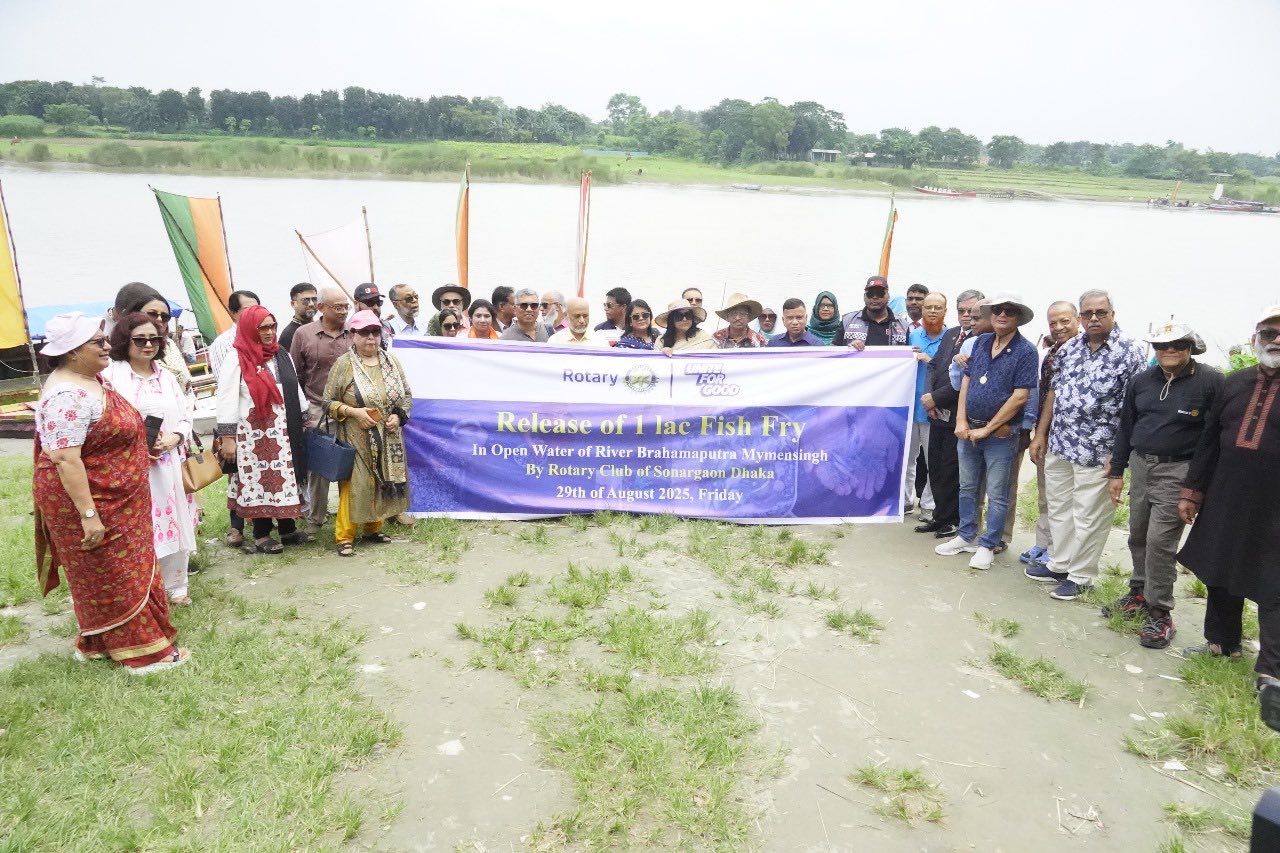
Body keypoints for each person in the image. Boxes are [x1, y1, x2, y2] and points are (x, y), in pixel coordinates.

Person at [33, 312, 189, 674]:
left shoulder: (89, 379)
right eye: (97, 342)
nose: (107, 346)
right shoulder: (66, 394)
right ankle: (143, 654)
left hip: (115, 498)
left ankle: (98, 645)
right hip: (90, 501)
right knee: (112, 572)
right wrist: (89, 515)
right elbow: (64, 458)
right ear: (72, 351)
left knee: (107, 571)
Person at [1177, 306, 1280, 693]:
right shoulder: (1234, 383)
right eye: (1269, 333)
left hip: (1275, 505)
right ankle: (1222, 643)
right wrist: (1193, 491)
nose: (1276, 340)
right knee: (1220, 567)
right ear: (1255, 339)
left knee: (1274, 582)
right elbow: (1208, 441)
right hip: (1226, 494)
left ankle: (1271, 671)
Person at [1103, 323, 1222, 649]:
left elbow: (1212, 440)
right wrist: (1117, 471)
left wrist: (1193, 489)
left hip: (1179, 469)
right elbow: (1126, 427)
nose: (1168, 350)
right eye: (1161, 344)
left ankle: (1160, 612)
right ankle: (1139, 593)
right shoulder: (1142, 380)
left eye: (1177, 344)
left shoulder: (1210, 381)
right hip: (1142, 465)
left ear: (1191, 346)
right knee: (1138, 533)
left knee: (1160, 541)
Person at [1029, 289, 1146, 601]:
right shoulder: (1068, 349)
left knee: (1089, 516)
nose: (1094, 318)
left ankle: (1081, 576)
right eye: (1088, 313)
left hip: (1100, 451)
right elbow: (1053, 392)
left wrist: (1120, 457)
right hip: (1061, 443)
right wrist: (1041, 434)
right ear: (1081, 317)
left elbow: (1134, 408)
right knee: (1060, 508)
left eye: (1101, 312)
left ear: (1112, 314)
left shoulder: (1130, 352)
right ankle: (1060, 563)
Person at [936, 293, 1038, 569]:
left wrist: (989, 429)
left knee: (997, 492)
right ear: (990, 315)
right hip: (969, 430)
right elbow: (966, 381)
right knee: (967, 487)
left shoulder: (1026, 351)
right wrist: (960, 420)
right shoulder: (980, 342)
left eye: (1009, 311)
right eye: (997, 310)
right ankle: (966, 536)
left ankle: (988, 544)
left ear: (1018, 317)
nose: (1002, 315)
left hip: (1001, 435)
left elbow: (1020, 397)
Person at [102, 313, 198, 607]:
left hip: (168, 462)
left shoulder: (166, 376)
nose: (148, 345)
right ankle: (145, 586)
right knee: (141, 524)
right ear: (124, 341)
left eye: (154, 339)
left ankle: (176, 585)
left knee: (174, 519)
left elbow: (186, 414)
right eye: (140, 339)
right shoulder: (111, 376)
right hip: (130, 465)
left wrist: (176, 438)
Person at [216, 305, 310, 553]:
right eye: (263, 327)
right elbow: (226, 399)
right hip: (254, 437)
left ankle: (288, 530)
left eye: (272, 326)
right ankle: (261, 534)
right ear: (250, 329)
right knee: (259, 482)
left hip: (284, 432)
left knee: (286, 479)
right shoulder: (236, 358)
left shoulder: (281, 354)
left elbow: (294, 388)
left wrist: (304, 415)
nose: (269, 332)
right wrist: (228, 438)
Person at [322, 310, 413, 557]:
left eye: (374, 332)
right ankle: (344, 536)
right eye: (364, 333)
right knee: (356, 485)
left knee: (382, 482)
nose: (370, 338)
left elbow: (405, 395)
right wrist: (354, 412)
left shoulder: (391, 362)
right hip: (356, 437)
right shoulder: (344, 364)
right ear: (353, 335)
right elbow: (328, 403)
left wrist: (398, 416)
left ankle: (373, 528)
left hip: (388, 436)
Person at [1018, 302, 1080, 570]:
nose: (1058, 327)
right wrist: (1037, 432)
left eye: (1064, 321)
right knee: (1047, 494)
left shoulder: (1083, 352)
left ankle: (1061, 553)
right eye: (1053, 323)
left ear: (1077, 320)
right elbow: (1042, 394)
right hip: (1048, 434)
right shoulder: (1050, 353)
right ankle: (1043, 544)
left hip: (1080, 441)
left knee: (1074, 502)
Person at [919, 289, 985, 538]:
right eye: (963, 311)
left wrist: (936, 397)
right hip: (937, 413)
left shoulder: (982, 340)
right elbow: (933, 367)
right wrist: (930, 399)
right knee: (934, 466)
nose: (967, 316)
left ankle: (953, 520)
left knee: (952, 470)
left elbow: (966, 382)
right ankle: (939, 516)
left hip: (960, 415)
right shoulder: (951, 334)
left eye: (972, 311)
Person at [289, 286, 352, 532]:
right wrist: (301, 412)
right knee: (320, 465)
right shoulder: (303, 335)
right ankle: (316, 518)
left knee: (354, 460)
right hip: (317, 407)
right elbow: (295, 375)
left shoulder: (353, 333)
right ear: (321, 308)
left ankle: (353, 514)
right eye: (338, 307)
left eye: (346, 306)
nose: (344, 311)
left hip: (351, 408)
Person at [906, 292, 947, 520]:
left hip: (935, 410)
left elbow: (952, 373)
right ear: (921, 311)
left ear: (944, 311)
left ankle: (929, 506)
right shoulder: (912, 335)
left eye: (937, 307)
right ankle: (905, 501)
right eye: (928, 307)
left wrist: (928, 359)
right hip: (910, 407)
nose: (932, 311)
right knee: (908, 459)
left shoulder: (951, 338)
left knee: (934, 462)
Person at [843, 275, 910, 350]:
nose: (875, 297)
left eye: (880, 293)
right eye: (870, 294)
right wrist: (849, 348)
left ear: (888, 296)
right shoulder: (847, 321)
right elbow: (833, 354)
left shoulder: (904, 325)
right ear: (864, 296)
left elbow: (910, 353)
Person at [207, 290, 261, 378]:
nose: (254, 313)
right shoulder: (222, 344)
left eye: (257, 309)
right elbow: (223, 380)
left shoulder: (264, 337)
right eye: (248, 309)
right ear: (233, 313)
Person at [278, 282, 318, 352]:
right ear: (293, 304)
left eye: (314, 299)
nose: (311, 304)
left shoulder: (322, 327)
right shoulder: (289, 335)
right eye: (305, 300)